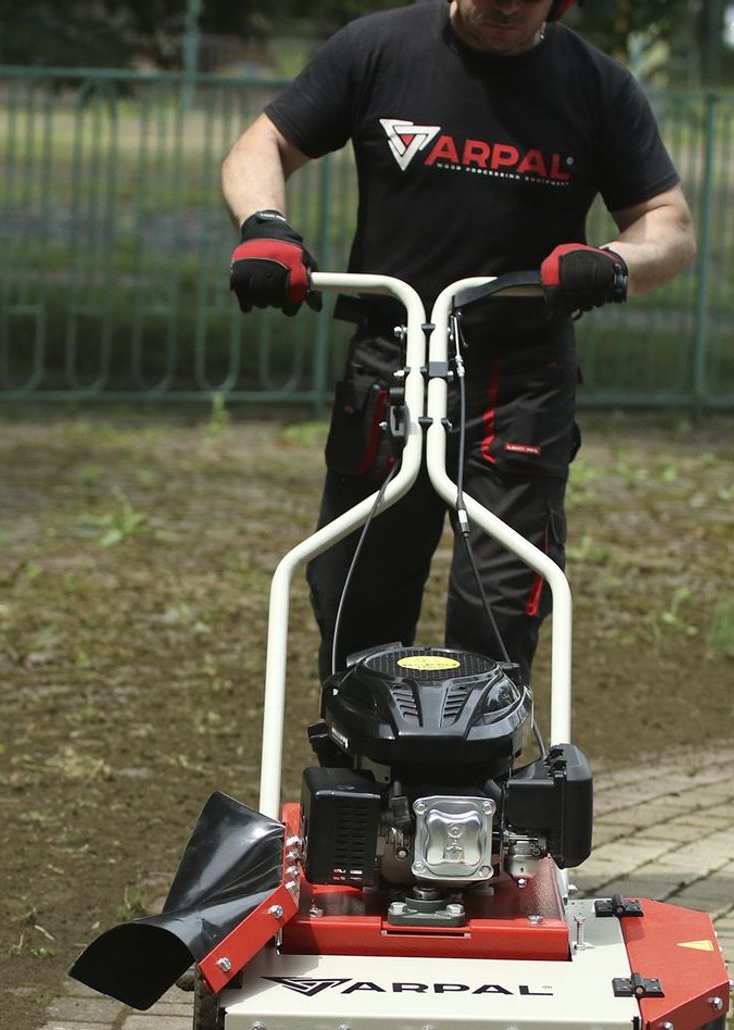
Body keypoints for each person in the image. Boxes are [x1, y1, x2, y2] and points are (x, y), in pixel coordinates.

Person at [221, 0, 695, 682]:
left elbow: (668, 224)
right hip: (393, 362)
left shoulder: (597, 86)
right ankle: (362, 767)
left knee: (498, 611)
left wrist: (615, 261)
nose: (504, 5)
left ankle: (482, 780)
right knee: (355, 594)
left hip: (521, 382)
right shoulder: (378, 49)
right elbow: (259, 144)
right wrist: (266, 226)